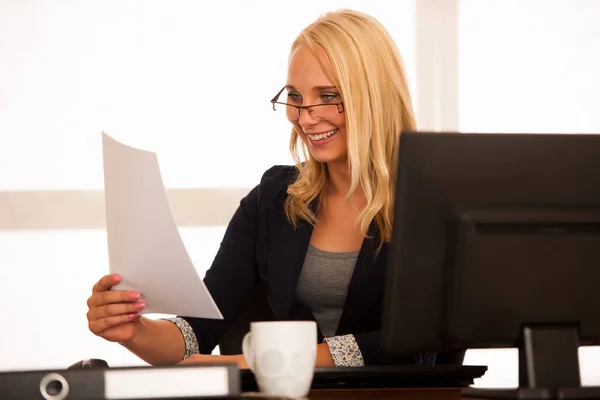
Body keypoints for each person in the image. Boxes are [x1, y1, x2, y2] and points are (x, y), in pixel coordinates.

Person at [86, 9, 433, 368]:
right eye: (295, 97)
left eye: (328, 96)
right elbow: (197, 332)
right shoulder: (273, 200)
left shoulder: (431, 203)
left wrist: (253, 364)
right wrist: (133, 330)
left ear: (374, 98)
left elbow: (411, 342)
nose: (305, 116)